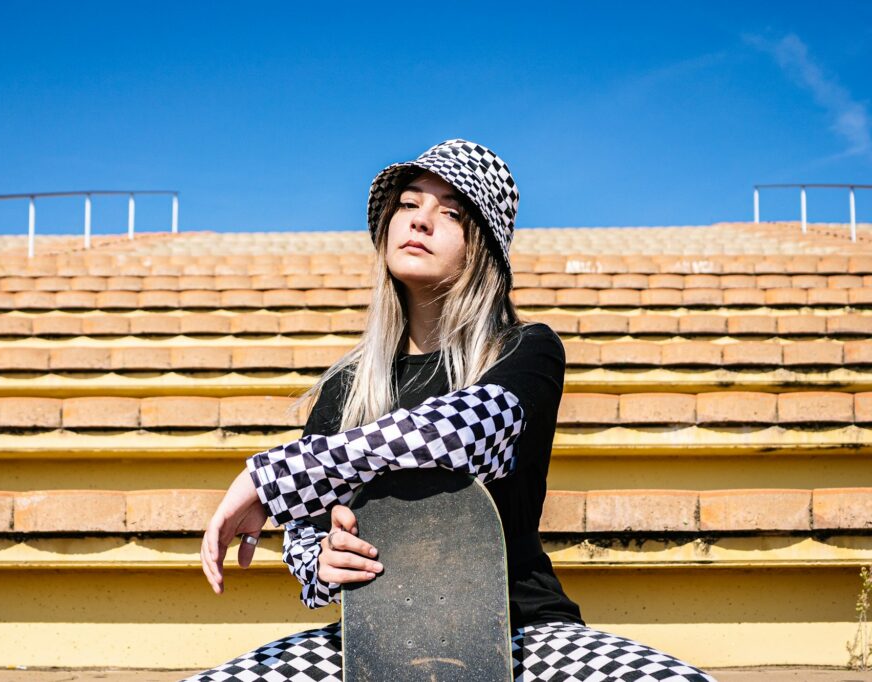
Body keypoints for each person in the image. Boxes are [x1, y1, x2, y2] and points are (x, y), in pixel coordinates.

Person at [185, 140, 715, 681]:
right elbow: (302, 530)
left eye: (451, 212)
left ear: (480, 248)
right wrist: (320, 560)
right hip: (371, 637)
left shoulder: (525, 349)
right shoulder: (348, 384)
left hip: (521, 629)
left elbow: (459, 436)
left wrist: (271, 477)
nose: (420, 221)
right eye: (409, 204)